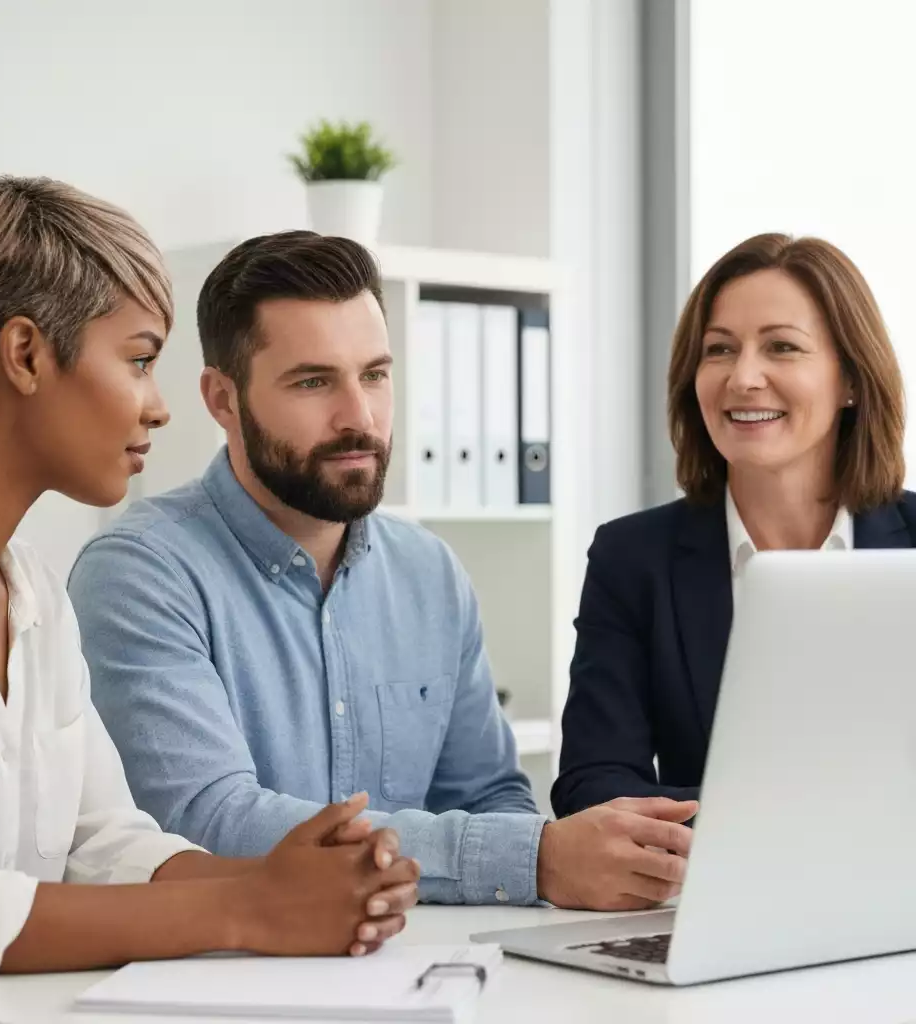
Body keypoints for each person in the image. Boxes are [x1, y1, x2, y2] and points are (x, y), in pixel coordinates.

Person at [68, 230, 697, 914]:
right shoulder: (139, 573)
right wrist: (535, 858)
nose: (359, 417)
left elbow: (489, 798)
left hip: (422, 972)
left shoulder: (429, 573)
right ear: (222, 400)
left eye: (374, 374)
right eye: (313, 382)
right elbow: (210, 820)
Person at [0, 178, 419, 981]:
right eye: (139, 360)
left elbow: (102, 842)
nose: (159, 406)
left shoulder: (33, 594)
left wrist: (291, 879)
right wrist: (250, 910)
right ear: (26, 354)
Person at [552, 232, 916, 817]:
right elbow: (593, 786)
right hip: (709, 898)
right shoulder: (632, 557)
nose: (743, 377)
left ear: (850, 378)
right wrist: (787, 825)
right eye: (719, 349)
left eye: (782, 347)